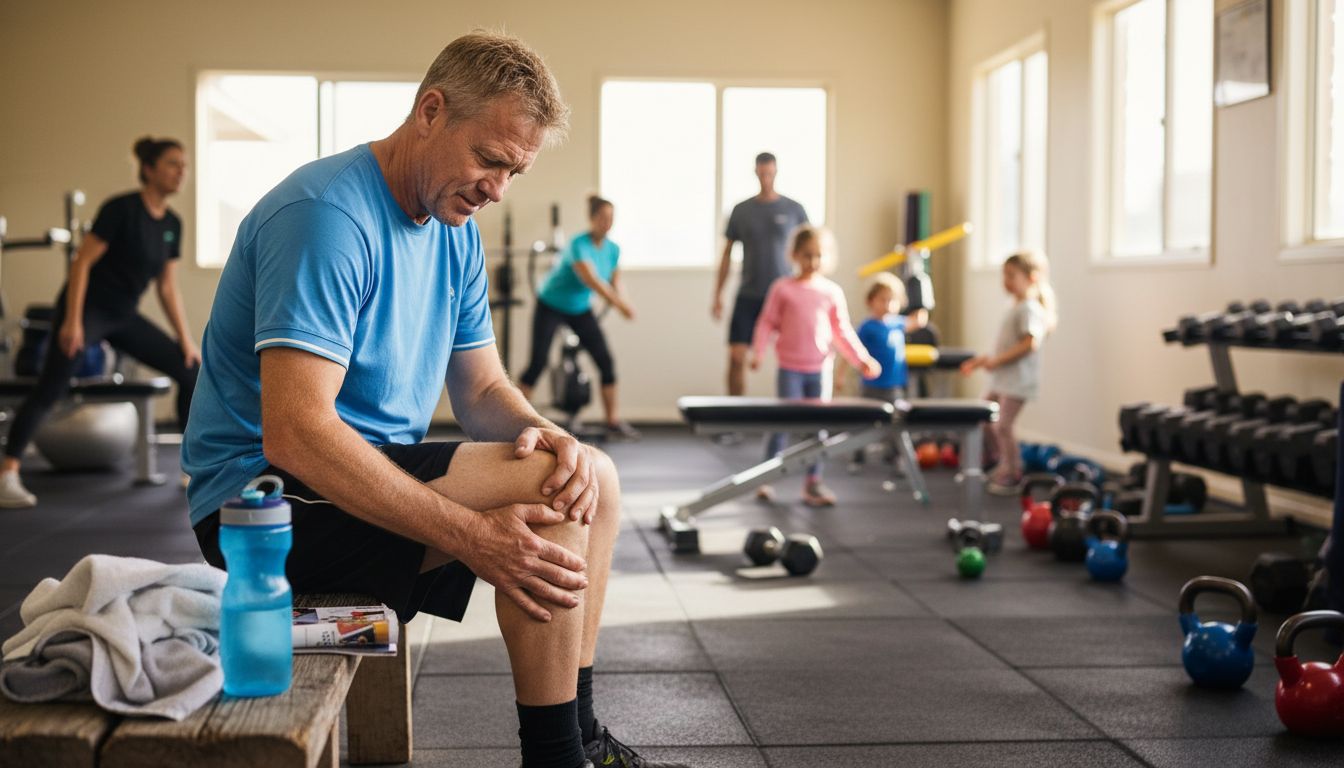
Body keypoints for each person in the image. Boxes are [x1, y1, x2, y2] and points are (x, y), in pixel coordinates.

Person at [181, 33, 688, 768]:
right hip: (262, 509)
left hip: (360, 476)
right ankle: (555, 758)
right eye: (489, 160)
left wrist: (548, 433)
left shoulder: (455, 232)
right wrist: (470, 537)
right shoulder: (327, 218)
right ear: (430, 111)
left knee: (588, 477)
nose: (497, 189)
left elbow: (481, 389)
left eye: (515, 170)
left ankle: (579, 736)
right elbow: (295, 434)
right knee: (549, 492)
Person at [0, 137, 199, 508]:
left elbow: (167, 287)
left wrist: (185, 340)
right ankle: (7, 473)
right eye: (173, 163)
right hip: (87, 309)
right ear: (150, 169)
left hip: (123, 314)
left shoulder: (172, 223)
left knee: (190, 370)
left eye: (183, 165)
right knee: (52, 386)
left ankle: (191, 469)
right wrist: (72, 322)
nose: (181, 171)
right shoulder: (120, 209)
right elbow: (82, 263)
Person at [749, 225, 880, 506]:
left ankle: (813, 483)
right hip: (790, 368)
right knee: (781, 423)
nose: (813, 262)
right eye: (807, 255)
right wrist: (758, 352)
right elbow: (767, 322)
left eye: (819, 256)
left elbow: (842, 331)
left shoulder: (831, 292)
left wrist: (862, 360)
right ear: (795, 255)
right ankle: (765, 477)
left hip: (819, 369)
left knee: (818, 428)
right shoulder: (782, 289)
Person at [518, 195, 638, 440]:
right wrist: (619, 305)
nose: (607, 223)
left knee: (606, 362)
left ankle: (612, 423)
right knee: (537, 363)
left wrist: (625, 303)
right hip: (551, 304)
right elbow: (592, 279)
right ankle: (514, 420)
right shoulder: (577, 245)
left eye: (611, 219)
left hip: (580, 308)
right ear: (592, 218)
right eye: (602, 218)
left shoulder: (613, 249)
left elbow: (615, 281)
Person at [959, 251, 1057, 495]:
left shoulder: (1030, 309)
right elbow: (1000, 347)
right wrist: (981, 361)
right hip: (1001, 378)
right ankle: (999, 459)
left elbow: (1029, 343)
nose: (1006, 281)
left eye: (1012, 276)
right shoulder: (1012, 306)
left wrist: (998, 361)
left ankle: (1013, 472)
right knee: (983, 416)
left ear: (1032, 278)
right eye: (1005, 275)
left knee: (1003, 426)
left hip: (1017, 381)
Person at [712, 153, 808, 396]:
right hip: (749, 293)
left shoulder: (794, 210)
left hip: (784, 295)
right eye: (761, 173)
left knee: (798, 358)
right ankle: (734, 419)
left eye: (770, 173)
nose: (766, 178)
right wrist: (717, 295)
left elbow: (810, 250)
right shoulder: (741, 210)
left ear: (776, 172)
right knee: (736, 357)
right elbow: (726, 254)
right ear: (756, 172)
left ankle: (798, 419)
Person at [849, 272, 927, 470]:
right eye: (882, 299)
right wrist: (842, 375)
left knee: (896, 422)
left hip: (893, 385)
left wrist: (922, 303)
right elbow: (852, 349)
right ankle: (858, 455)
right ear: (871, 301)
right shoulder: (867, 327)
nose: (888, 304)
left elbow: (917, 321)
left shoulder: (896, 322)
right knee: (865, 421)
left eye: (892, 300)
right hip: (871, 385)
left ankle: (897, 456)